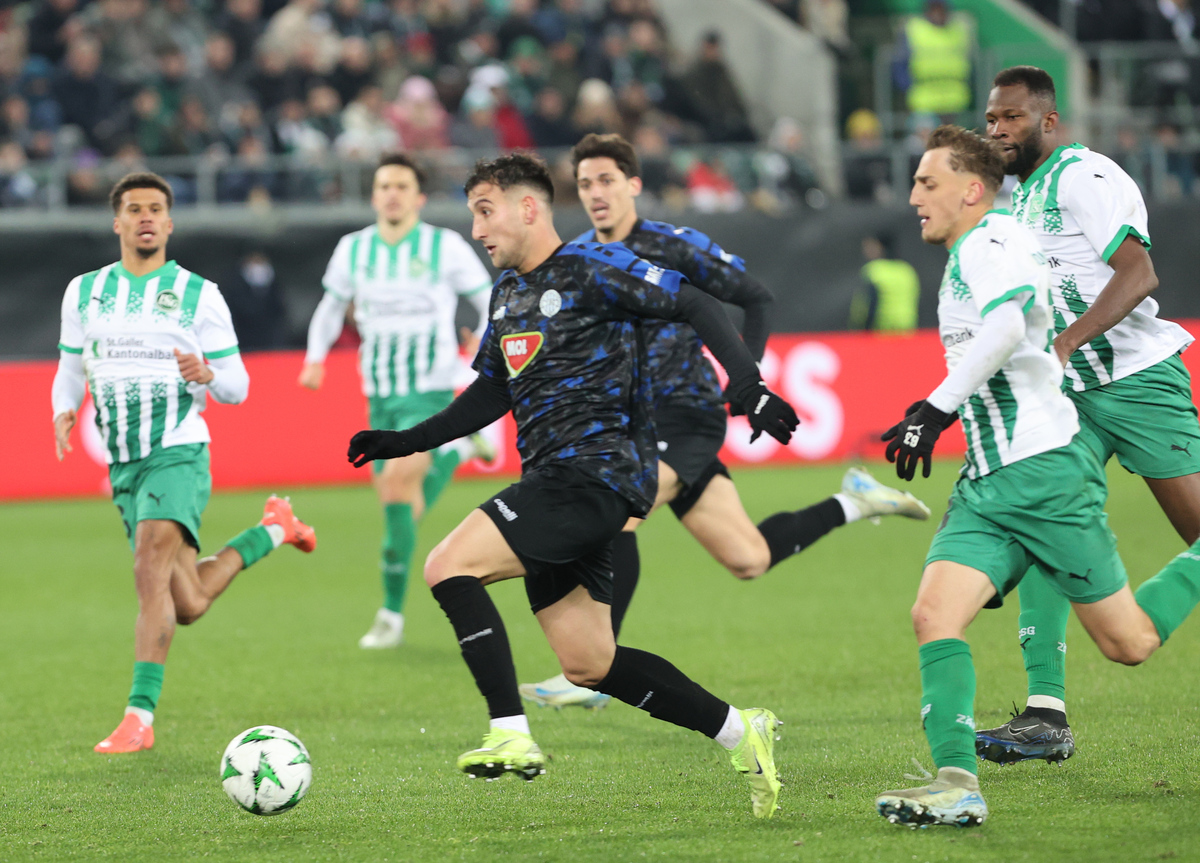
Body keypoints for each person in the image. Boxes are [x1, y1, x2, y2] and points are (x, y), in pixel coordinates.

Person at [346, 152, 799, 819]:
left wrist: (748, 383)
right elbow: (492, 391)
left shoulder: (595, 271)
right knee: (591, 662)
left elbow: (698, 300)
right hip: (557, 481)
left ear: (529, 207)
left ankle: (511, 731)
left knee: (448, 566)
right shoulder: (507, 293)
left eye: (484, 210)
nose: (476, 230)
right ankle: (740, 729)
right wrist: (405, 440)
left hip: (596, 475)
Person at [519, 132, 931, 711]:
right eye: (585, 183)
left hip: (686, 417)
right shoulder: (581, 258)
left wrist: (748, 382)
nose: (595, 193)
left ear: (634, 184)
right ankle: (855, 502)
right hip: (631, 427)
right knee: (749, 558)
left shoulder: (672, 245)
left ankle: (595, 667)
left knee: (619, 516)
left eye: (607, 179)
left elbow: (754, 296)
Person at [873, 125, 1200, 828]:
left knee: (1130, 643)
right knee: (934, 613)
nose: (913, 198)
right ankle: (958, 781)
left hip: (1044, 477)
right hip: (990, 480)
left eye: (927, 183)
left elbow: (1008, 325)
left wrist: (935, 408)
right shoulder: (978, 246)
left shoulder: (994, 244)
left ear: (970, 189)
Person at [974, 65, 1200, 765]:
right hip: (1069, 397)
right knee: (1051, 522)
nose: (997, 131)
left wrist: (1068, 343)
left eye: (1010, 118)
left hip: (1137, 381)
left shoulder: (1085, 177)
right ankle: (1046, 712)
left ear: (1047, 121)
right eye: (990, 120)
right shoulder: (1015, 205)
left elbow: (1139, 273)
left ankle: (1142, 622)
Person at [52, 172, 317, 754]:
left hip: (178, 449)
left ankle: (139, 717)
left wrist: (209, 374)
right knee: (188, 602)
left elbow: (240, 387)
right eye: (134, 209)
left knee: (149, 563)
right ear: (116, 221)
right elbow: (72, 366)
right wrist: (63, 409)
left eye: (156, 209)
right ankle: (273, 530)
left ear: (169, 224)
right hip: (125, 464)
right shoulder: (84, 291)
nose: (145, 217)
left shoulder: (201, 294)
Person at [300, 153, 496, 650]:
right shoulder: (353, 249)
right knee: (399, 505)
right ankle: (455, 453)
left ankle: (390, 613)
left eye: (401, 185)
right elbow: (329, 307)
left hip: (429, 389)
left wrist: (491, 340)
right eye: (384, 184)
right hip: (379, 393)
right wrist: (315, 357)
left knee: (394, 494)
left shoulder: (443, 246)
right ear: (374, 195)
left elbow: (489, 296)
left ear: (418, 196)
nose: (392, 193)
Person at [893, 0, 973, 119]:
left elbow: (971, 63)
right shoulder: (914, 29)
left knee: (957, 137)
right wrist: (907, 87)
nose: (938, 13)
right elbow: (899, 65)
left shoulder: (959, 30)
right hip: (924, 102)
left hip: (957, 101)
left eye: (941, 8)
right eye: (934, 8)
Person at [850, 233, 920, 334]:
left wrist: (863, 330)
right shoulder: (907, 271)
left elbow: (869, 304)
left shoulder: (873, 270)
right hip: (907, 332)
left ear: (880, 247)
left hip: (880, 332)